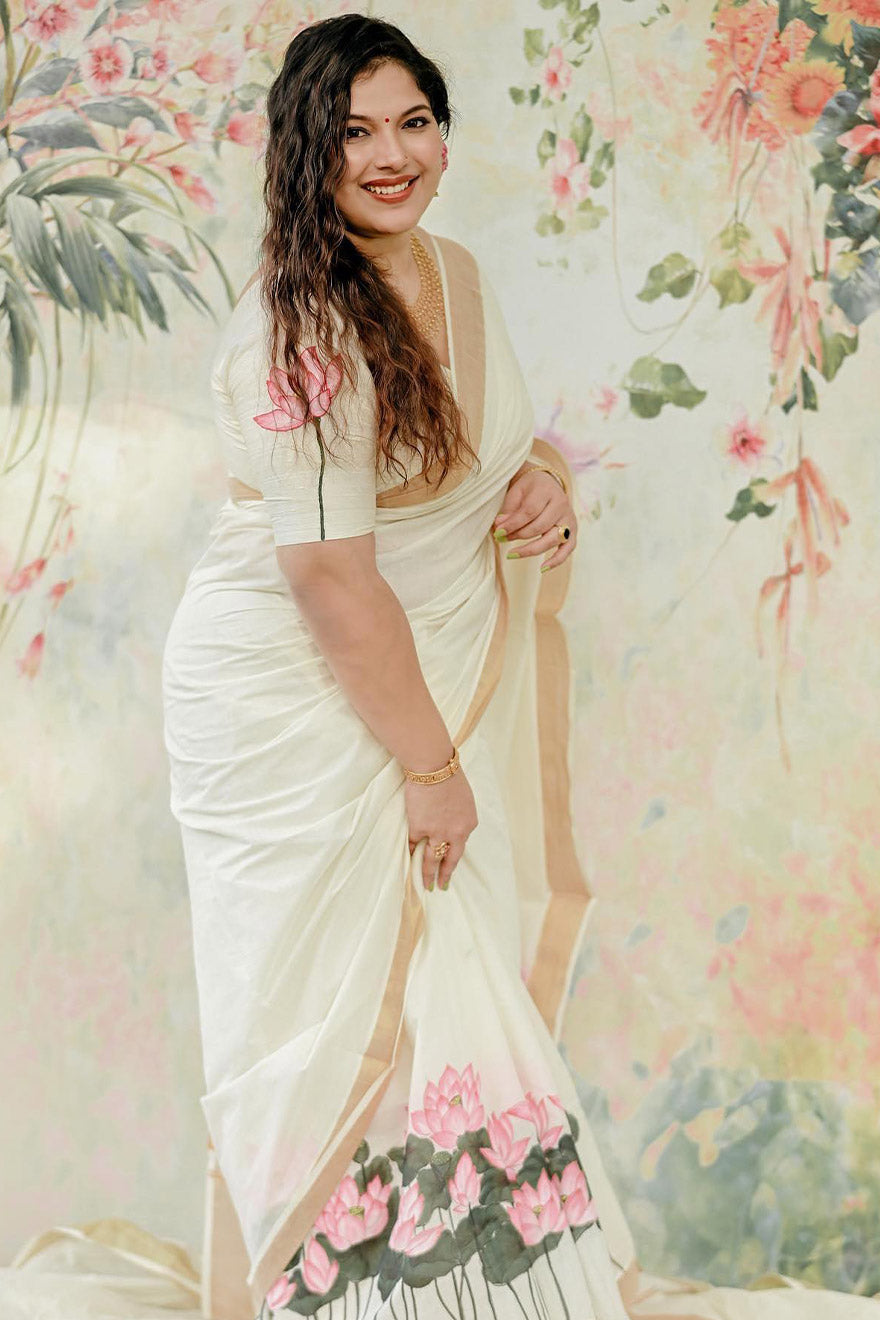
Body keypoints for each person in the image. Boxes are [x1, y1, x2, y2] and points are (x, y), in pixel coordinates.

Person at [160, 15, 875, 1320]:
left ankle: (472, 1291)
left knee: (446, 958)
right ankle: (340, 1293)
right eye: (356, 132)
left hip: (405, 674)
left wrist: (538, 478)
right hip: (291, 695)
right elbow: (330, 578)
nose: (392, 155)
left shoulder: (456, 272)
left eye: (415, 123)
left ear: (445, 135)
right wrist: (431, 768)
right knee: (321, 1004)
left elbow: (467, 457)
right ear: (306, 153)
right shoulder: (301, 330)